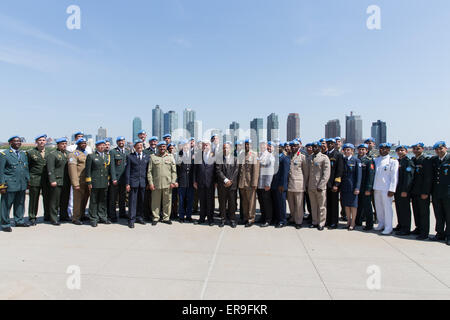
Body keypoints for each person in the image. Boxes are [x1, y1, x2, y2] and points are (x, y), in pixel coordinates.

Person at [0, 136, 30, 232]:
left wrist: (28, 180)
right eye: (15, 141)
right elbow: (1, 171)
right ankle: (5, 224)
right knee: (6, 205)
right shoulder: (5, 154)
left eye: (19, 141)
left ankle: (19, 220)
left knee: (20, 203)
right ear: (10, 143)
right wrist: (2, 185)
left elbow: (25, 168)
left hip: (21, 184)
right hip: (10, 184)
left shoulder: (23, 154)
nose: (18, 142)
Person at [147, 141, 178, 225]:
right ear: (157, 148)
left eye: (164, 146)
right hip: (156, 184)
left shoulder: (170, 157)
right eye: (160, 147)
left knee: (167, 202)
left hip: (168, 184)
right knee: (155, 202)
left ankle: (166, 218)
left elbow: (174, 171)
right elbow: (149, 172)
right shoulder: (153, 157)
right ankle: (156, 217)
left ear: (166, 147)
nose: (162, 148)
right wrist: (151, 183)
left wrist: (173, 182)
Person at [85, 140, 114, 227]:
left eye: (103, 145)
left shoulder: (107, 156)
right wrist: (89, 182)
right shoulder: (91, 156)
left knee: (103, 200)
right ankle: (93, 218)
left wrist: (108, 180)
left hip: (104, 182)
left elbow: (108, 170)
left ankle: (102, 216)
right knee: (94, 200)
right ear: (97, 146)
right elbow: (88, 170)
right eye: (100, 145)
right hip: (95, 182)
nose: (102, 147)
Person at [373, 143, 399, 235]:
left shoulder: (393, 161)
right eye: (381, 148)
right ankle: (381, 224)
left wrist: (392, 189)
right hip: (376, 187)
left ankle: (388, 227)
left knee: (387, 208)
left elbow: (394, 177)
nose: (383, 150)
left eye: (385, 149)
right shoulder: (376, 160)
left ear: (388, 150)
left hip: (387, 188)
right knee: (379, 207)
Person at [67, 131, 92, 218]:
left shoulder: (87, 153)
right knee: (77, 200)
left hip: (86, 180)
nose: (84, 144)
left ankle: (82, 214)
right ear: (78, 144)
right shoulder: (74, 154)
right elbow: (72, 170)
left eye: (85, 143)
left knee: (85, 199)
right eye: (82, 143)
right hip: (79, 180)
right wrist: (75, 183)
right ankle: (76, 217)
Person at [305, 142, 331, 230]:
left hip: (320, 186)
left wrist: (322, 185)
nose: (314, 148)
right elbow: (308, 173)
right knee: (313, 205)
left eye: (316, 147)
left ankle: (321, 223)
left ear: (320, 147)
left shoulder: (324, 158)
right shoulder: (310, 157)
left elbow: (326, 173)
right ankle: (314, 221)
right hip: (311, 186)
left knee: (322, 206)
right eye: (313, 147)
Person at [26, 134, 50, 224]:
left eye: (43, 140)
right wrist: (28, 179)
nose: (42, 142)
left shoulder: (49, 152)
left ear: (46, 142)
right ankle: (32, 217)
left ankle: (47, 215)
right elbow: (27, 167)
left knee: (47, 198)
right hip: (35, 178)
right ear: (36, 142)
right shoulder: (30, 152)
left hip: (46, 179)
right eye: (39, 140)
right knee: (34, 199)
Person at [410, 143, 432, 240]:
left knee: (424, 213)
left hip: (422, 192)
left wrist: (426, 192)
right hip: (414, 191)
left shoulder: (426, 161)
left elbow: (428, 178)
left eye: (418, 149)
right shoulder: (413, 160)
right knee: (416, 211)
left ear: (422, 149)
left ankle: (424, 232)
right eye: (414, 149)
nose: (416, 150)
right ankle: (418, 228)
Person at [125, 140, 149, 228]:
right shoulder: (130, 157)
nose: (139, 147)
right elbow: (127, 171)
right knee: (132, 201)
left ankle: (140, 217)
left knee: (141, 201)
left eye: (141, 145)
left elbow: (148, 171)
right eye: (137, 146)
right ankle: (131, 219)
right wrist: (127, 184)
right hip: (133, 182)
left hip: (143, 182)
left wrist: (148, 182)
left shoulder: (147, 157)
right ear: (134, 147)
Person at [46, 138, 70, 225]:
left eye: (65, 143)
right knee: (55, 201)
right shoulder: (53, 154)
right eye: (62, 144)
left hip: (66, 181)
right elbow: (50, 169)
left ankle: (64, 216)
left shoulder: (68, 154)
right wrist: (52, 180)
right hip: (57, 180)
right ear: (58, 145)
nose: (64, 145)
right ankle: (54, 218)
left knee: (65, 200)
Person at [430, 141, 450, 245]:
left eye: (441, 148)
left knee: (448, 214)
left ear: (445, 148)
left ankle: (449, 235)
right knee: (438, 214)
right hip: (436, 192)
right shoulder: (434, 160)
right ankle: (440, 233)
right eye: (437, 149)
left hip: (448, 192)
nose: (439, 151)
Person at [215, 141, 240, 228]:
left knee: (232, 203)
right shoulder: (219, 159)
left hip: (232, 186)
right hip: (222, 185)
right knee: (222, 203)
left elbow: (236, 171)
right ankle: (223, 219)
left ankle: (232, 220)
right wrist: (225, 180)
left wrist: (231, 181)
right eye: (224, 148)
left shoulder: (236, 159)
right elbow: (218, 170)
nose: (226, 149)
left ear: (231, 149)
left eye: (227, 148)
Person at [193, 141, 216, 226]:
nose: (205, 146)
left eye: (207, 145)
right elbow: (195, 170)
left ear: (210, 146)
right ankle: (201, 218)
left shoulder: (214, 155)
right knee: (202, 201)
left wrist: (216, 182)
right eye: (204, 145)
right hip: (200, 182)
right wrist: (194, 181)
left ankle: (210, 219)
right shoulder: (198, 155)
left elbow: (216, 170)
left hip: (211, 182)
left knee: (210, 202)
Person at [287, 140, 309, 229]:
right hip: (289, 184)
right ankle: (293, 218)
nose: (293, 147)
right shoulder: (288, 156)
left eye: (295, 146)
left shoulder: (302, 157)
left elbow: (306, 172)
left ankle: (299, 221)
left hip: (299, 184)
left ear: (298, 147)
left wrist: (305, 184)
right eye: (292, 146)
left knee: (299, 204)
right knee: (291, 204)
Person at [238, 139, 260, 227]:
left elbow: (256, 170)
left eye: (248, 144)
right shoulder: (241, 155)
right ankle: (245, 218)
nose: (247, 146)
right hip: (242, 182)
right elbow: (240, 169)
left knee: (251, 202)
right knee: (244, 202)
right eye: (245, 144)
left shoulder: (254, 155)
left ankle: (251, 219)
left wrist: (255, 183)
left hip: (250, 182)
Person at [394, 145, 415, 236]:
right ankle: (400, 225)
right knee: (399, 208)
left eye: (402, 150)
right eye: (398, 151)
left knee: (405, 209)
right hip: (397, 189)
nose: (400, 152)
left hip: (403, 190)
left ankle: (406, 228)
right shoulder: (397, 161)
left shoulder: (408, 162)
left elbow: (408, 178)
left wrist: (405, 190)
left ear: (406, 151)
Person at [340, 144, 362, 230]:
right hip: (344, 187)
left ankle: (353, 222)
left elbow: (359, 176)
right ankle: (348, 221)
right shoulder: (343, 160)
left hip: (353, 187)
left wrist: (357, 187)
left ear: (352, 151)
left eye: (348, 150)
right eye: (345, 150)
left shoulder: (356, 161)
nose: (346, 151)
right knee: (346, 205)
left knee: (353, 205)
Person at [108, 136, 130, 222]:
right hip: (116, 179)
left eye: (122, 141)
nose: (121, 142)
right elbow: (112, 166)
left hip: (124, 179)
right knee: (113, 198)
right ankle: (112, 215)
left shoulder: (127, 151)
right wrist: (113, 178)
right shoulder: (113, 152)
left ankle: (122, 213)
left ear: (124, 142)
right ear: (117, 142)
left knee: (122, 197)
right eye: (119, 141)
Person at [325, 138, 344, 229]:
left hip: (333, 184)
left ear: (334, 144)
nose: (329, 145)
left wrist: (336, 184)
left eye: (331, 143)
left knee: (334, 204)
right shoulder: (325, 154)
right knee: (327, 203)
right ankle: (328, 220)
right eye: (328, 143)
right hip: (326, 184)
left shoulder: (338, 155)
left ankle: (334, 222)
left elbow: (340, 171)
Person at [355, 144, 375, 230]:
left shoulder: (369, 161)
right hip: (357, 187)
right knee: (358, 206)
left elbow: (371, 176)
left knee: (367, 206)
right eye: (360, 149)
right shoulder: (356, 160)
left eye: (363, 149)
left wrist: (369, 188)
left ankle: (369, 224)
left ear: (366, 151)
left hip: (365, 187)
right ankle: (358, 221)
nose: (361, 151)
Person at [257, 141, 275, 227]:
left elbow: (270, 171)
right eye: (261, 146)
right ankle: (263, 217)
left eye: (264, 146)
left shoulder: (269, 156)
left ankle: (268, 219)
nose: (262, 147)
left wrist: (268, 184)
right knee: (261, 202)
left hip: (265, 184)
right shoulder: (259, 155)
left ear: (266, 146)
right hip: (259, 183)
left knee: (267, 203)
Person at [176, 140, 195, 223]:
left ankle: (189, 216)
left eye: (187, 146)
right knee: (181, 200)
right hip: (182, 181)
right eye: (184, 146)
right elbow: (176, 169)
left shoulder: (193, 156)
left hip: (190, 181)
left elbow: (195, 169)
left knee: (190, 200)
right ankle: (181, 216)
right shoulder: (179, 155)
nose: (186, 147)